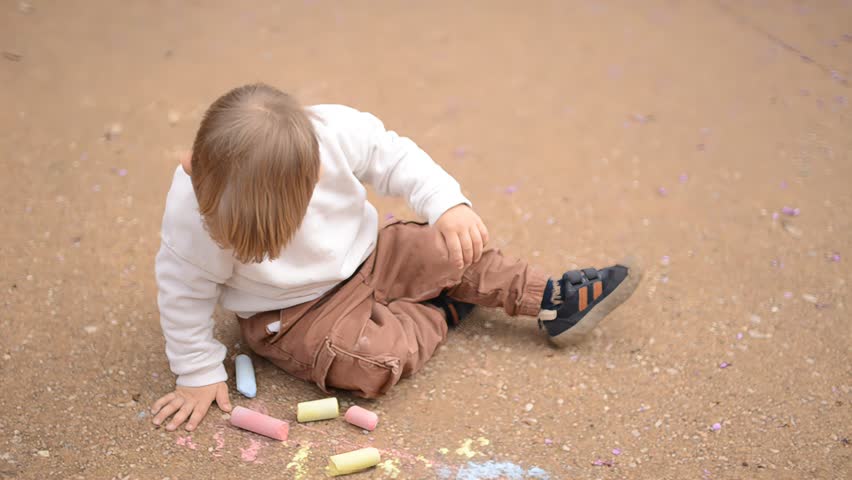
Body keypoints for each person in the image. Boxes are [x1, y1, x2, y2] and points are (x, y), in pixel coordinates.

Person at [150, 83, 641, 432]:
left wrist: (446, 205)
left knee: (449, 248)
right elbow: (183, 292)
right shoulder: (191, 211)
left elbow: (396, 157)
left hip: (374, 254)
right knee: (372, 362)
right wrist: (197, 371)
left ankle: (552, 299)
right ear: (192, 168)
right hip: (292, 315)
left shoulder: (334, 133)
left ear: (314, 175)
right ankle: (439, 311)